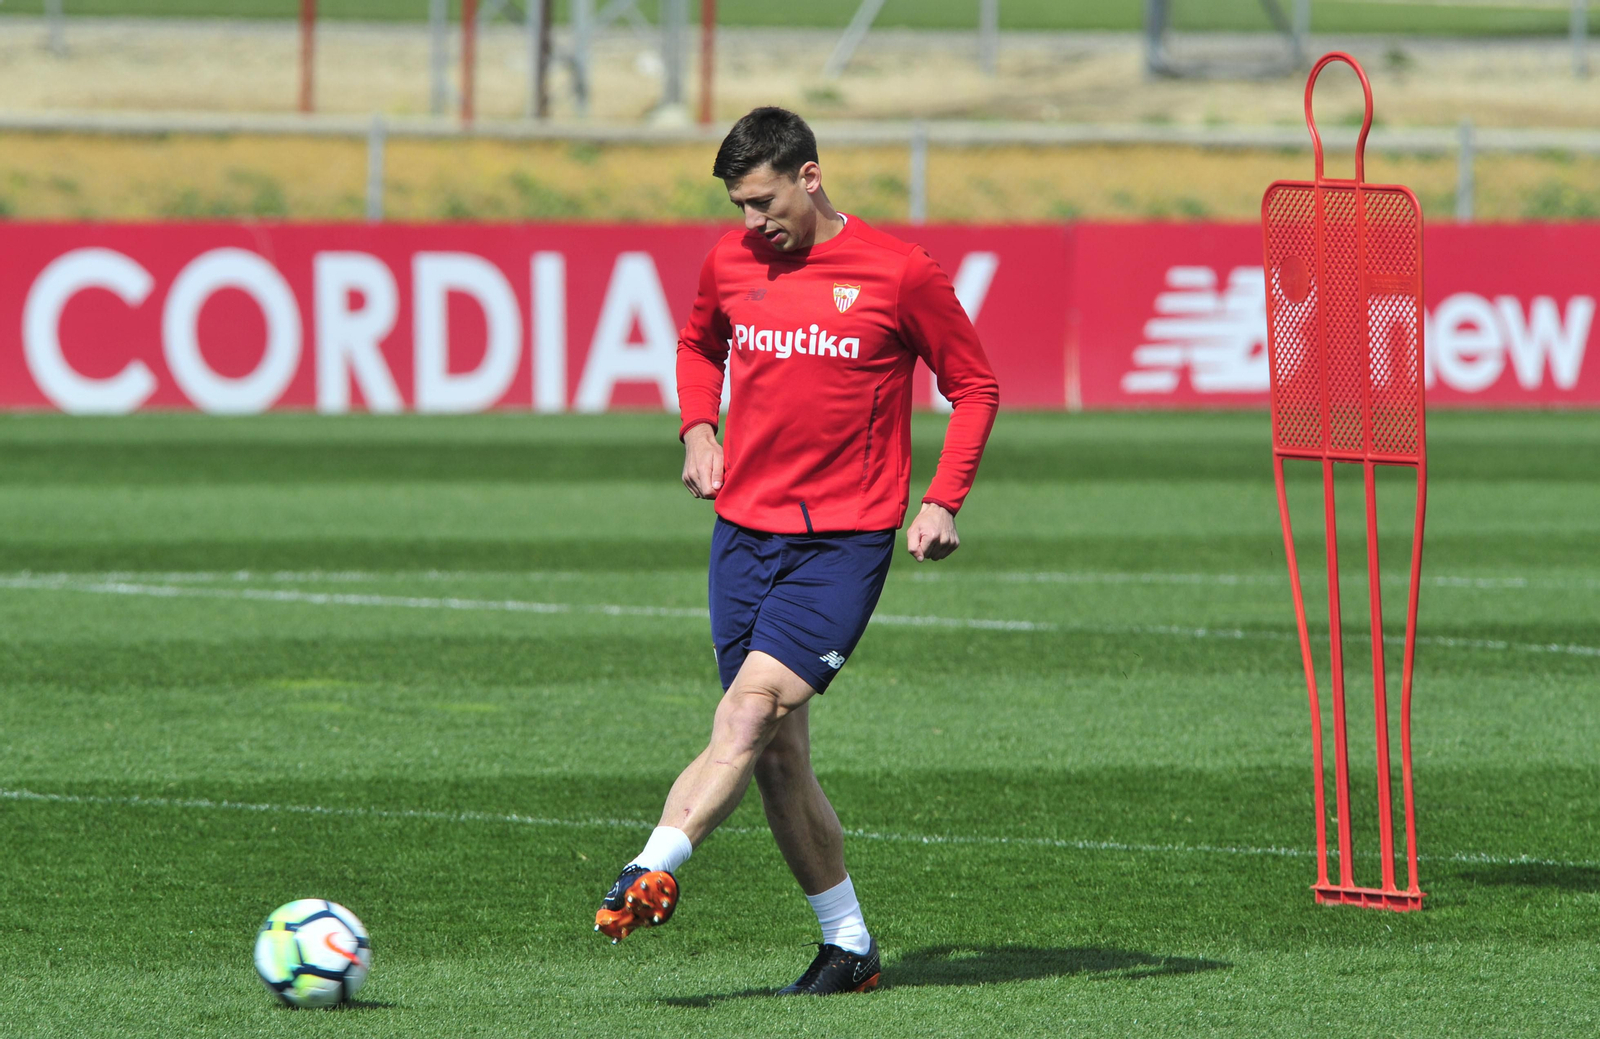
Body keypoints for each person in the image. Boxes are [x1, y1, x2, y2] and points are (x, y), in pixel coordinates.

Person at [594, 106, 999, 996]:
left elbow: (974, 385)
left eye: (763, 200)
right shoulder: (730, 262)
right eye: (739, 205)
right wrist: (698, 429)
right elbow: (699, 344)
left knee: (747, 713)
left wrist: (942, 499)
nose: (751, 223)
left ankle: (652, 861)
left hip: (842, 543)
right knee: (775, 751)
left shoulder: (899, 272)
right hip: (741, 535)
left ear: (808, 176)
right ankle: (848, 946)